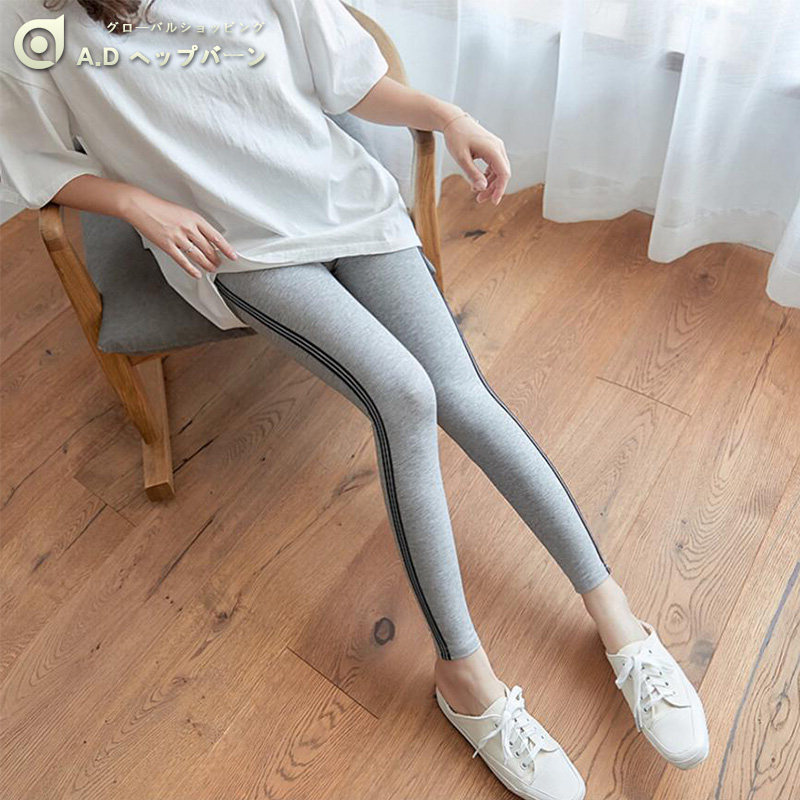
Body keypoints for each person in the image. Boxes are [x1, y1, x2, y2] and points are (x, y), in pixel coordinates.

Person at [0, 1, 709, 797]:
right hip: (237, 246)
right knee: (403, 395)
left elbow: (348, 78)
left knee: (460, 392)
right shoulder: (35, 18)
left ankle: (618, 620)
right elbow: (33, 156)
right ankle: (465, 679)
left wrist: (450, 116)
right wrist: (134, 203)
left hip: (339, 194)